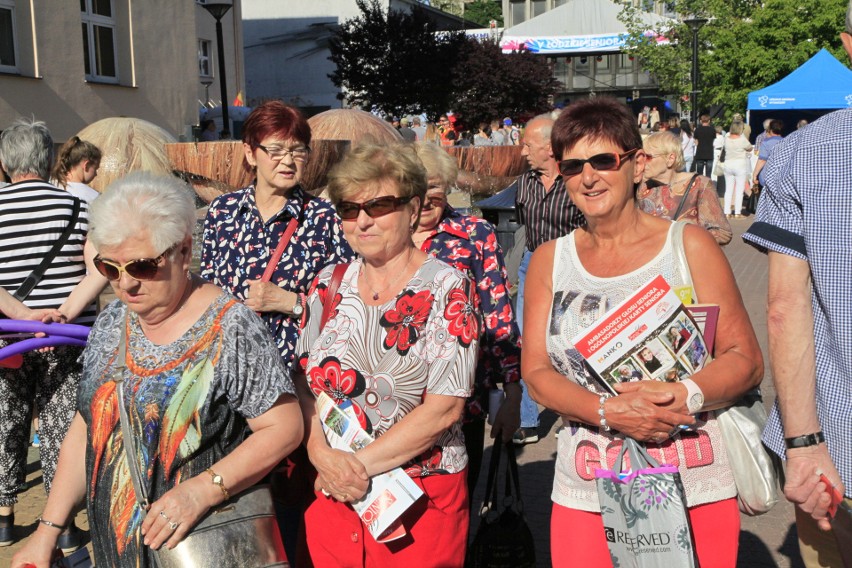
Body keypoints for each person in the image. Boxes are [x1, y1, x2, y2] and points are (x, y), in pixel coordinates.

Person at [10, 172, 303, 568]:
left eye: (142, 266)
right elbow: (88, 427)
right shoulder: (112, 322)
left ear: (184, 251)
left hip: (205, 548)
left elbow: (284, 427)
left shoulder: (232, 327)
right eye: (110, 269)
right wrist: (47, 531)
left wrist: (204, 490)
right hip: (118, 551)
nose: (126, 284)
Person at [521, 96, 763, 566]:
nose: (588, 176)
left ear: (636, 165)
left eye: (604, 160)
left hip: (690, 479)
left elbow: (745, 358)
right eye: (573, 166)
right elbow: (535, 371)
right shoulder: (551, 259)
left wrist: (684, 395)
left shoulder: (687, 245)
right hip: (587, 484)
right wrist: (608, 410)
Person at [295, 144, 479, 566]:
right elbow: (302, 384)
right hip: (333, 493)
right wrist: (320, 454)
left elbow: (444, 410)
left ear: (413, 208)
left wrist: (353, 468)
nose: (362, 220)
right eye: (349, 208)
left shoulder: (448, 288)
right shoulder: (326, 284)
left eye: (378, 205)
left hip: (417, 499)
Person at [742, 6, 852, 564]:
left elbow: (786, 308)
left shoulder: (802, 155)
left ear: (848, 45)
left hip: (836, 443)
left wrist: (803, 444)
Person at [200, 100, 354, 371]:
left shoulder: (326, 218)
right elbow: (206, 291)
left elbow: (349, 307)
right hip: (229, 369)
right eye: (276, 150)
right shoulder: (222, 211)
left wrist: (290, 302)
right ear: (250, 153)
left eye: (298, 150)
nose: (288, 160)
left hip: (295, 374)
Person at [0, 118, 96, 552]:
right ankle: (67, 524)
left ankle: (4, 518)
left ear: (5, 163)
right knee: (64, 428)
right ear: (46, 159)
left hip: (8, 339)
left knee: (8, 424)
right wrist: (63, 314)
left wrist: (23, 314)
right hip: (68, 336)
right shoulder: (80, 206)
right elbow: (101, 269)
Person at [411, 142, 522, 495]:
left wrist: (513, 392)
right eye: (414, 186)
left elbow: (498, 314)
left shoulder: (475, 234)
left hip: (460, 396)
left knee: (456, 500)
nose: (425, 197)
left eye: (433, 186)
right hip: (392, 399)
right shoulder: (378, 235)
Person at [513, 113, 586, 445]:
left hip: (569, 268)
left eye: (528, 144)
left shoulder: (574, 178)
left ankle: (578, 409)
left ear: (548, 146)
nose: (522, 150)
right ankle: (527, 420)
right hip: (532, 265)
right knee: (525, 339)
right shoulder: (525, 181)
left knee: (569, 341)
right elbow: (521, 219)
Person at [640, 131, 732, 245]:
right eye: (640, 156)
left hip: (684, 259)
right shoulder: (641, 187)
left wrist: (683, 237)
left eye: (648, 157)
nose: (641, 162)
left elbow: (723, 233)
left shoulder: (700, 185)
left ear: (670, 159)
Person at [51, 136, 102, 206]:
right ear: (86, 165)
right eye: (95, 168)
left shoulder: (49, 187)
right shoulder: (95, 198)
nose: (96, 174)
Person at [722, 120, 753, 218]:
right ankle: (737, 212)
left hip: (728, 164)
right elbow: (750, 148)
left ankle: (727, 212)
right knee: (739, 190)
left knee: (728, 189)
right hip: (740, 165)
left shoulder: (726, 139)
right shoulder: (742, 139)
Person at [752, 119, 783, 187]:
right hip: (782, 177)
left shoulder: (766, 143)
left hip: (768, 177)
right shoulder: (787, 141)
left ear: (770, 129)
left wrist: (754, 175)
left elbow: (762, 160)